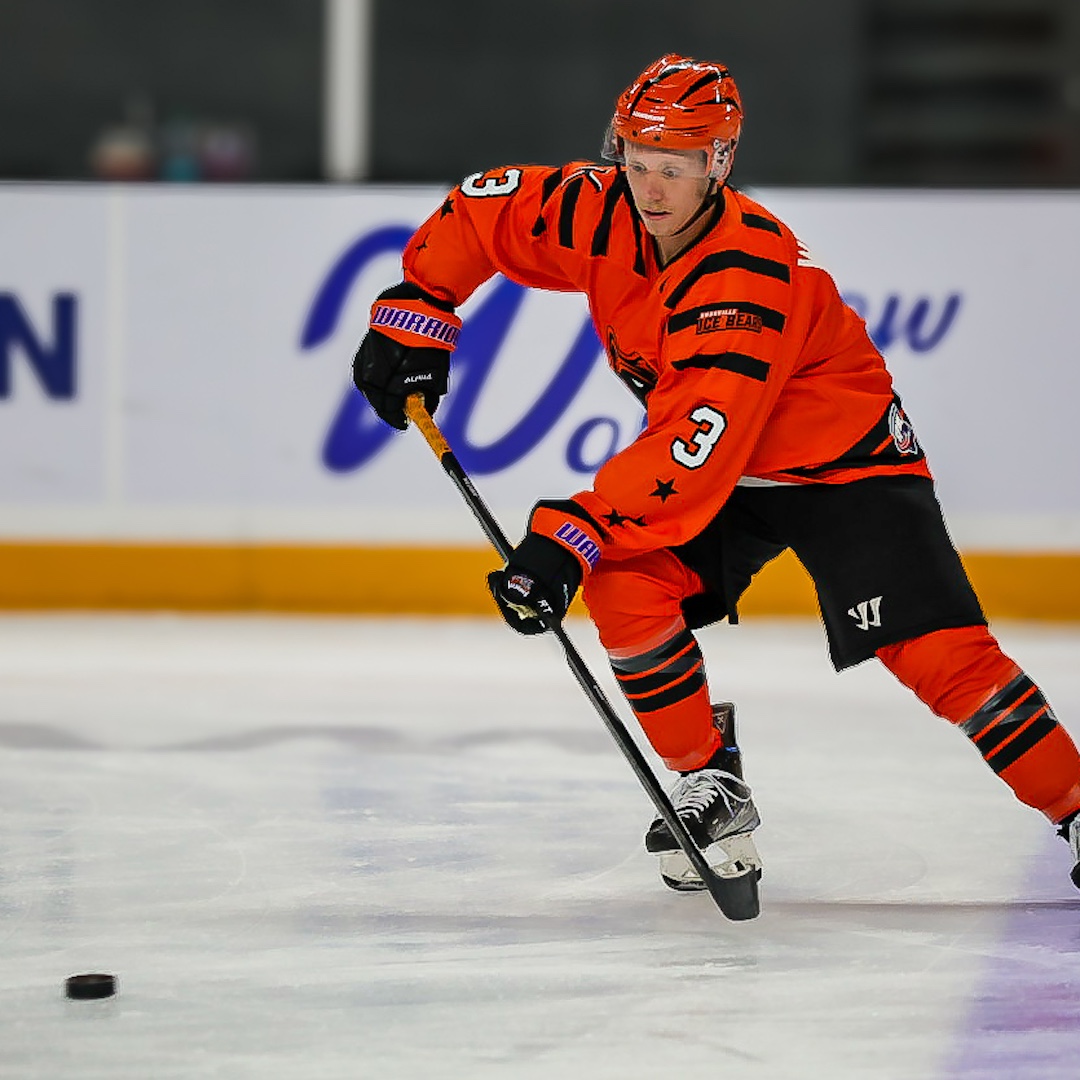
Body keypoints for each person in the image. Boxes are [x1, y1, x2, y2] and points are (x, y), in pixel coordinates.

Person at [353, 54, 1080, 896]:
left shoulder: (746, 274)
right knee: (624, 580)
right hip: (723, 464)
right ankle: (710, 781)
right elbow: (488, 207)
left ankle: (1074, 803)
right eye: (637, 161)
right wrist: (421, 305)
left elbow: (694, 448)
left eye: (675, 167)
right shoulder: (600, 207)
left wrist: (568, 532)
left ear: (719, 163)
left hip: (841, 467)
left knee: (939, 656)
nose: (651, 188)